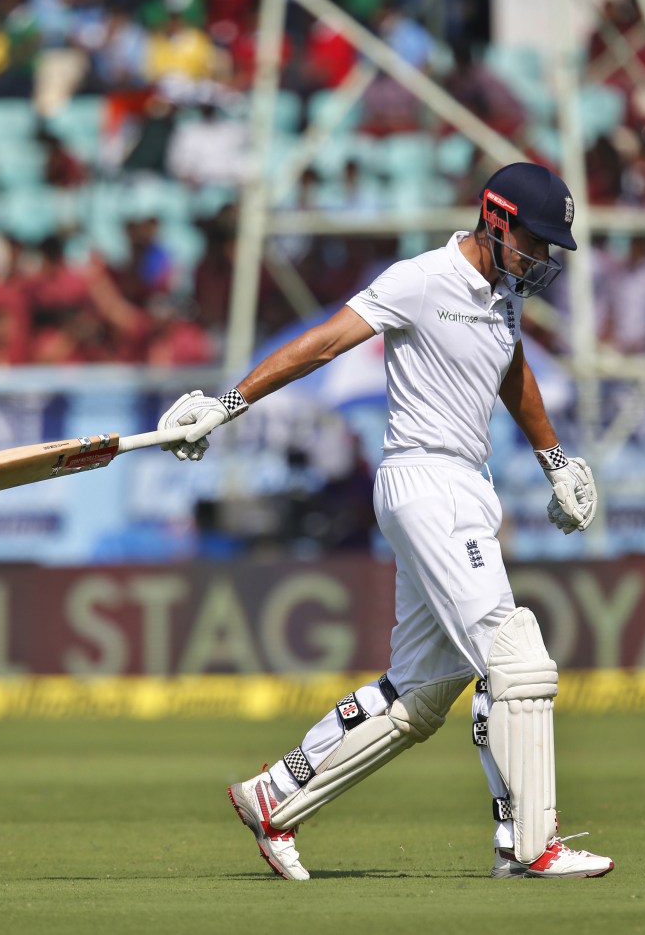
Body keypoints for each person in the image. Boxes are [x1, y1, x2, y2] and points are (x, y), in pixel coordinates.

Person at [156, 162, 614, 881]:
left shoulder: (501, 295)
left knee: (422, 692)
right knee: (514, 655)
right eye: (534, 240)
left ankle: (275, 795)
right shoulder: (421, 278)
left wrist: (555, 458)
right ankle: (528, 845)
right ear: (494, 221)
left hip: (466, 484)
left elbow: (511, 372)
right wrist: (228, 402)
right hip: (424, 481)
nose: (542, 257)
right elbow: (323, 343)